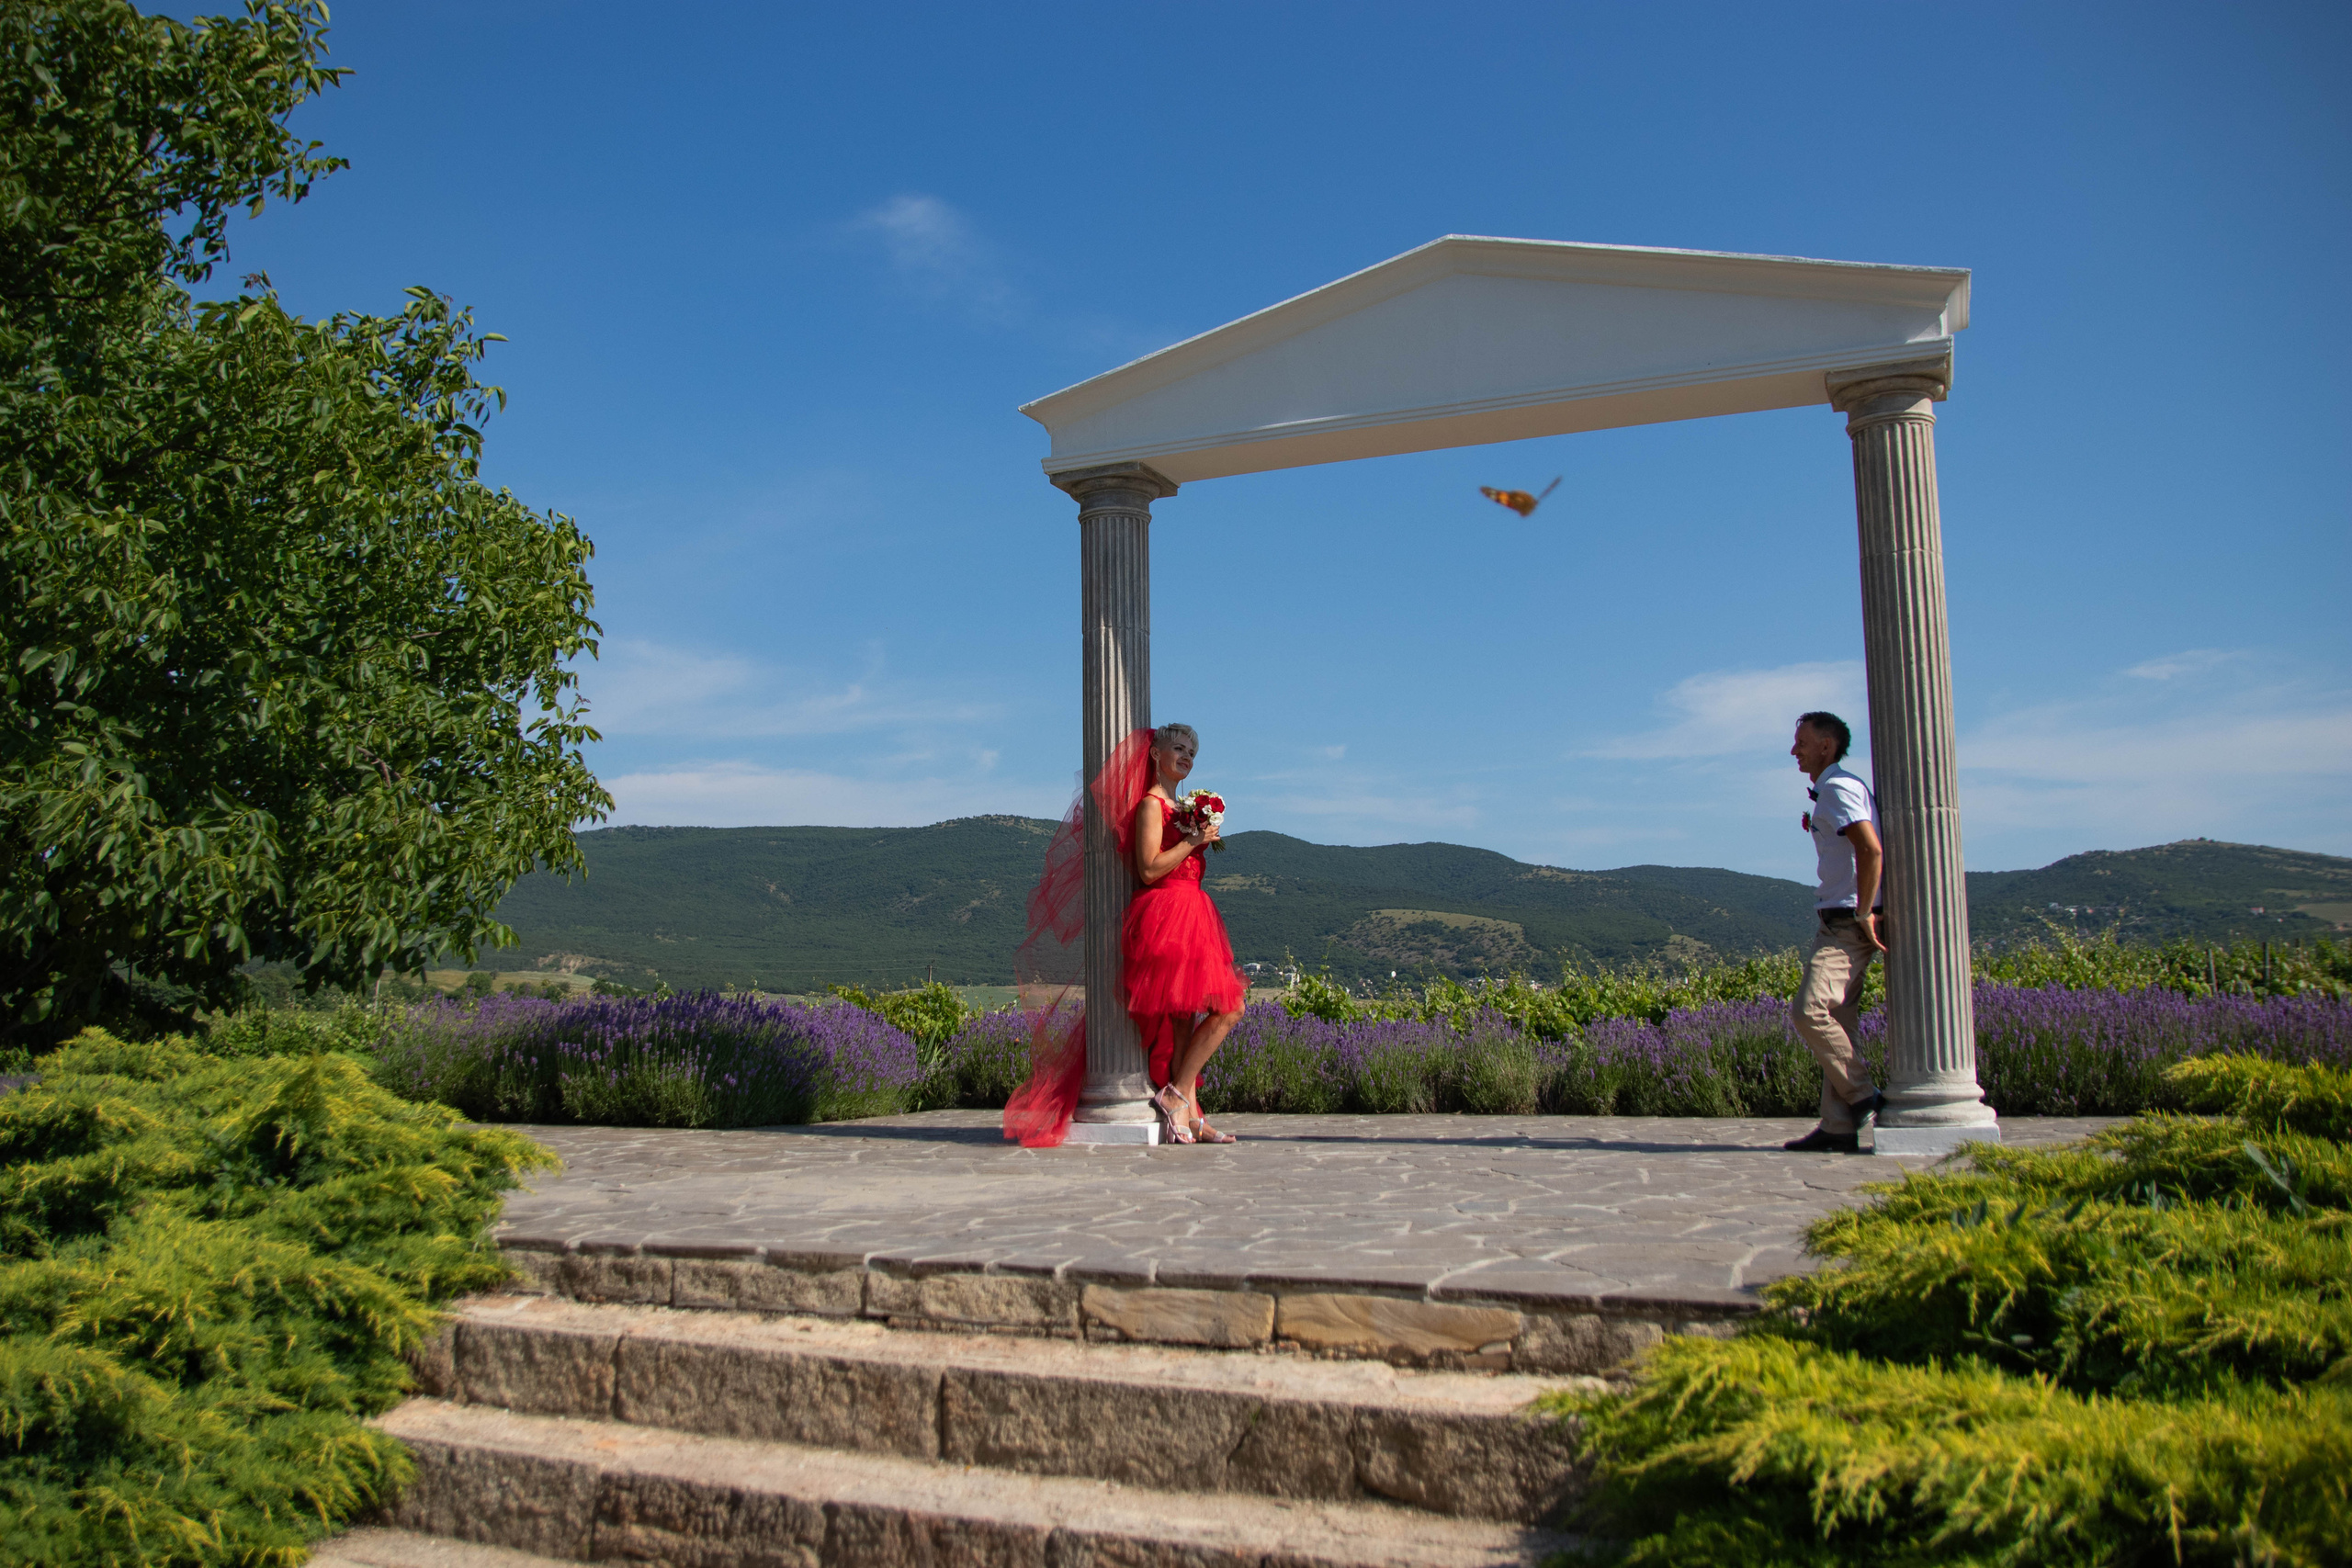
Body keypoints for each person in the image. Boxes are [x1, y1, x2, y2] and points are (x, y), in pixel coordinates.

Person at [1126, 723, 1248, 1144]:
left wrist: (1195, 833)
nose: (1187, 756)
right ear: (1156, 755)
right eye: (1178, 748)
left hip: (1195, 915)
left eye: (1192, 752)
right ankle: (1180, 1100)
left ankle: (1189, 1111)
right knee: (1224, 1009)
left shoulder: (1185, 810)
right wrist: (1192, 841)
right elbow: (1147, 870)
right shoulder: (1150, 806)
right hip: (1166, 915)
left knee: (1193, 1020)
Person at [1782, 711, 1889, 1154]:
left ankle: (1865, 1097)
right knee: (1839, 1021)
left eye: (1801, 742)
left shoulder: (1839, 789)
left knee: (1808, 1012)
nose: (1794, 750)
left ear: (1826, 746)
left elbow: (1870, 848)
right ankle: (1838, 1126)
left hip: (1846, 922)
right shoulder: (1836, 788)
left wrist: (1864, 911)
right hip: (1839, 917)